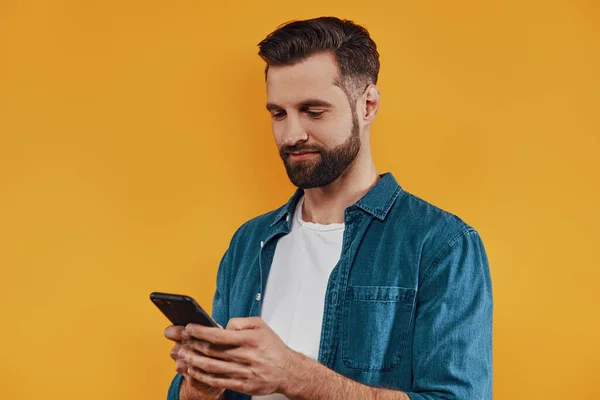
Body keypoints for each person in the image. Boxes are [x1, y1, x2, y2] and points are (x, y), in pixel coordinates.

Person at [163, 16, 493, 400]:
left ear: (368, 104)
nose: (291, 135)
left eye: (313, 111)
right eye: (278, 114)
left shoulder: (441, 245)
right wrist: (200, 386)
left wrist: (298, 376)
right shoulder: (248, 242)